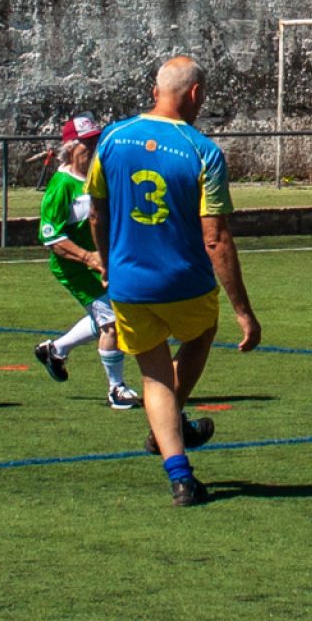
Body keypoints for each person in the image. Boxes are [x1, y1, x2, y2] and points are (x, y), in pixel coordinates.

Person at [87, 56, 261, 507]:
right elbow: (215, 238)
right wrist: (244, 310)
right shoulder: (202, 149)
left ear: (154, 90)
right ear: (197, 94)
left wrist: (107, 262)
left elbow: (96, 212)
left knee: (153, 377)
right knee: (200, 335)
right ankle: (173, 426)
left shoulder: (110, 139)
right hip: (185, 281)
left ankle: (180, 476)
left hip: (129, 284)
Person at [35, 113, 140, 409]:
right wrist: (87, 258)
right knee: (112, 322)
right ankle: (116, 389)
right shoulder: (61, 186)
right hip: (75, 267)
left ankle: (56, 350)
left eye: (96, 140)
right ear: (70, 147)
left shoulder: (98, 177)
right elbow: (51, 238)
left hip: (103, 261)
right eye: (87, 142)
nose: (94, 146)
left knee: (115, 313)